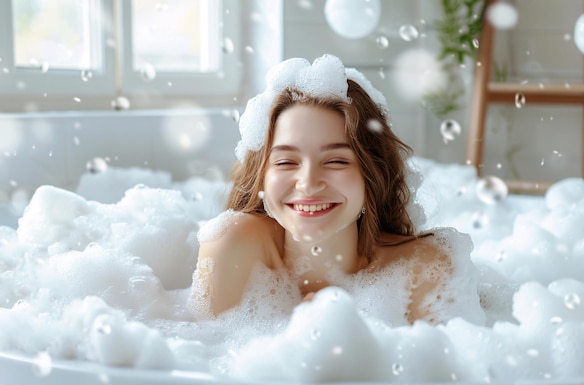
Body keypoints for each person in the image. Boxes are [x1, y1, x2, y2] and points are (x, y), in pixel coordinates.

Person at [188, 54, 484, 325]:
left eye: (336, 161)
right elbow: (210, 362)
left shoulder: (422, 272)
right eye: (287, 161)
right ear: (263, 176)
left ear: (372, 175)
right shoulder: (233, 246)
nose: (308, 182)